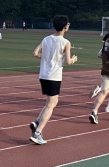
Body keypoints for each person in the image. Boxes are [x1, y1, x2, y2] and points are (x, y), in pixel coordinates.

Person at [29, 15, 78, 144]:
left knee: (53, 102)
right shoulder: (65, 42)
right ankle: (37, 133)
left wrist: (46, 58)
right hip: (54, 76)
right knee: (50, 106)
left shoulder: (46, 39)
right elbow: (68, 61)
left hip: (43, 75)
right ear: (65, 27)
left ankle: (37, 121)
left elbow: (35, 53)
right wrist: (74, 59)